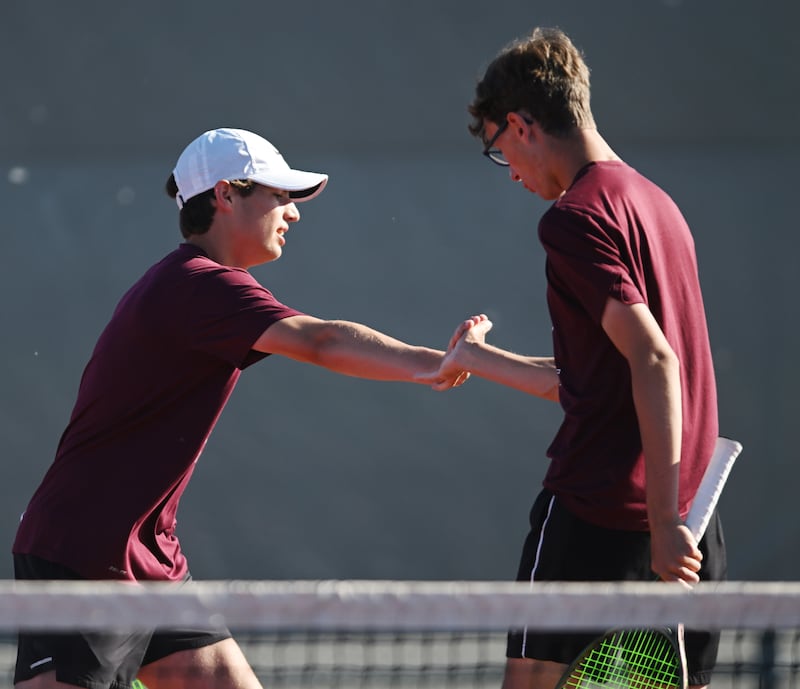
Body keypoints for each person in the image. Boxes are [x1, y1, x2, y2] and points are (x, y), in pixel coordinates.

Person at [12, 127, 483, 689]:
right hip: (86, 552)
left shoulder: (194, 287)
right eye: (279, 196)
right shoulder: (196, 286)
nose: (293, 212)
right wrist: (433, 363)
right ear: (225, 196)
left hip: (149, 556)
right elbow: (322, 340)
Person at [418, 27, 725, 689]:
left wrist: (663, 520)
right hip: (698, 512)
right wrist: (478, 356)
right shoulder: (659, 206)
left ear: (522, 125)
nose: (515, 174)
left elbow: (656, 362)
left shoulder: (574, 219)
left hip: (603, 512)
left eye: (502, 152)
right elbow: (599, 383)